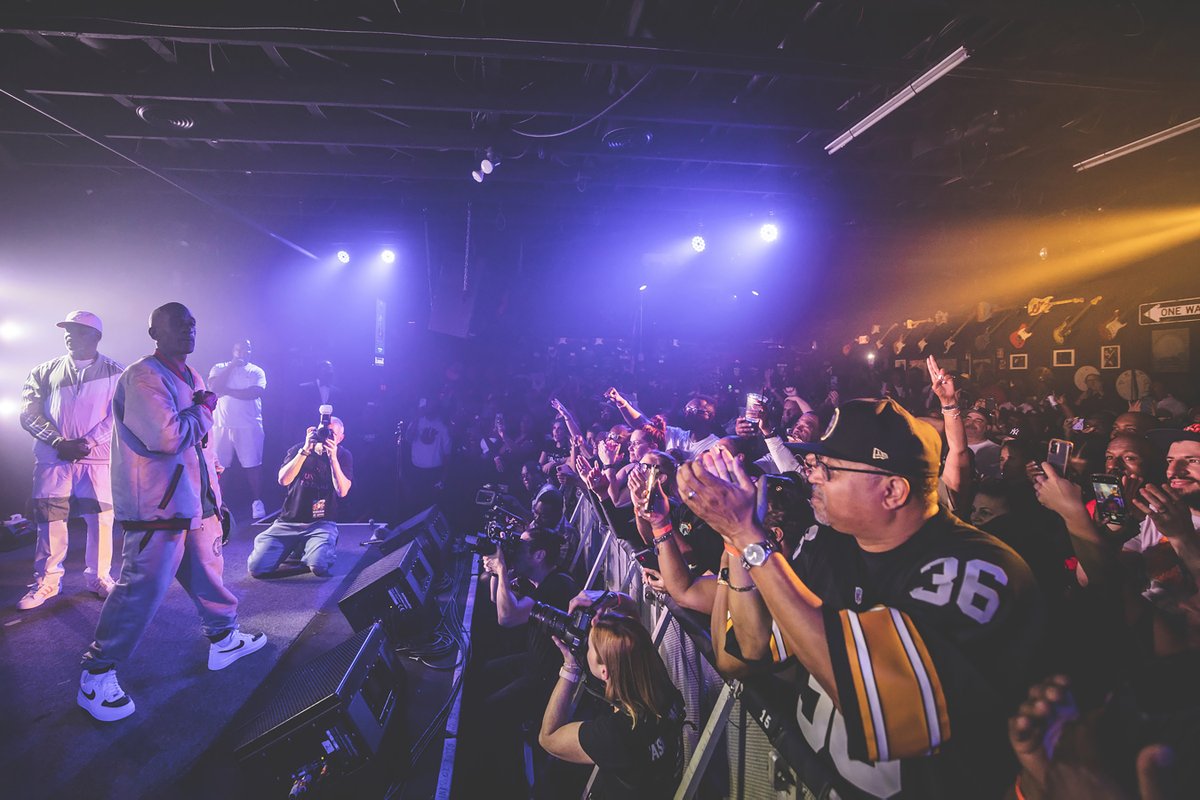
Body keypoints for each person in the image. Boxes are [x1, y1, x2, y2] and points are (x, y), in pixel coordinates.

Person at [680, 398, 1045, 799]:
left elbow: (879, 708)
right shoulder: (830, 544)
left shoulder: (977, 570)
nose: (811, 476)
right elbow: (743, 653)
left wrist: (750, 538)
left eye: (828, 469)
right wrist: (735, 539)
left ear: (891, 491)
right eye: (813, 464)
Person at [78, 303, 266, 723]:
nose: (188, 328)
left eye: (192, 322)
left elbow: (198, 443)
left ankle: (224, 639)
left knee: (206, 572)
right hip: (157, 505)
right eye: (177, 323)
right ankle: (96, 674)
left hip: (190, 501)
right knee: (140, 588)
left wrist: (213, 487)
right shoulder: (144, 375)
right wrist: (204, 409)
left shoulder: (192, 374)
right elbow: (168, 437)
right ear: (154, 332)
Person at [18, 311, 124, 608]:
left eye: (78, 330)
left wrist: (87, 442)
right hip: (54, 459)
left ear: (96, 336)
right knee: (51, 521)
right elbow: (29, 413)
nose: (69, 334)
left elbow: (120, 414)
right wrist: (58, 442)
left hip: (97, 459)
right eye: (67, 329)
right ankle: (47, 582)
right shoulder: (43, 370)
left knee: (101, 521)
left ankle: (99, 577)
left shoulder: (117, 372)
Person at [539, 613, 686, 800]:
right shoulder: (661, 688)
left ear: (604, 671)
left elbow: (548, 737)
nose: (586, 649)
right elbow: (634, 629)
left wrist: (570, 668)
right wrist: (610, 606)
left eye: (589, 648)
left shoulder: (614, 733)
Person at [246, 416, 353, 578]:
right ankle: (299, 547)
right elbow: (283, 480)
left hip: (321, 524)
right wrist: (304, 450)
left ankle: (312, 547)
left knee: (319, 566)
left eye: (331, 433)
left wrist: (332, 458)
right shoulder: (298, 449)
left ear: (340, 438)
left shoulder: (343, 455)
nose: (325, 436)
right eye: (322, 432)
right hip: (288, 522)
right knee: (256, 568)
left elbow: (342, 491)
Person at [208, 339, 268, 519]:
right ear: (233, 350)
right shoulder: (219, 367)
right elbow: (214, 387)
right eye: (239, 350)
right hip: (221, 425)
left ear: (251, 351)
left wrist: (227, 391)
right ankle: (216, 503)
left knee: (253, 466)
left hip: (249, 426)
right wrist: (232, 366)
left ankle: (257, 502)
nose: (243, 353)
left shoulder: (256, 371)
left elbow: (254, 393)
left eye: (246, 350)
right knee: (219, 467)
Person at [607, 387, 720, 459]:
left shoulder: (715, 445)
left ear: (709, 416)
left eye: (694, 410)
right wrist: (622, 403)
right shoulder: (676, 434)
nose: (688, 413)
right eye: (686, 409)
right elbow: (642, 424)